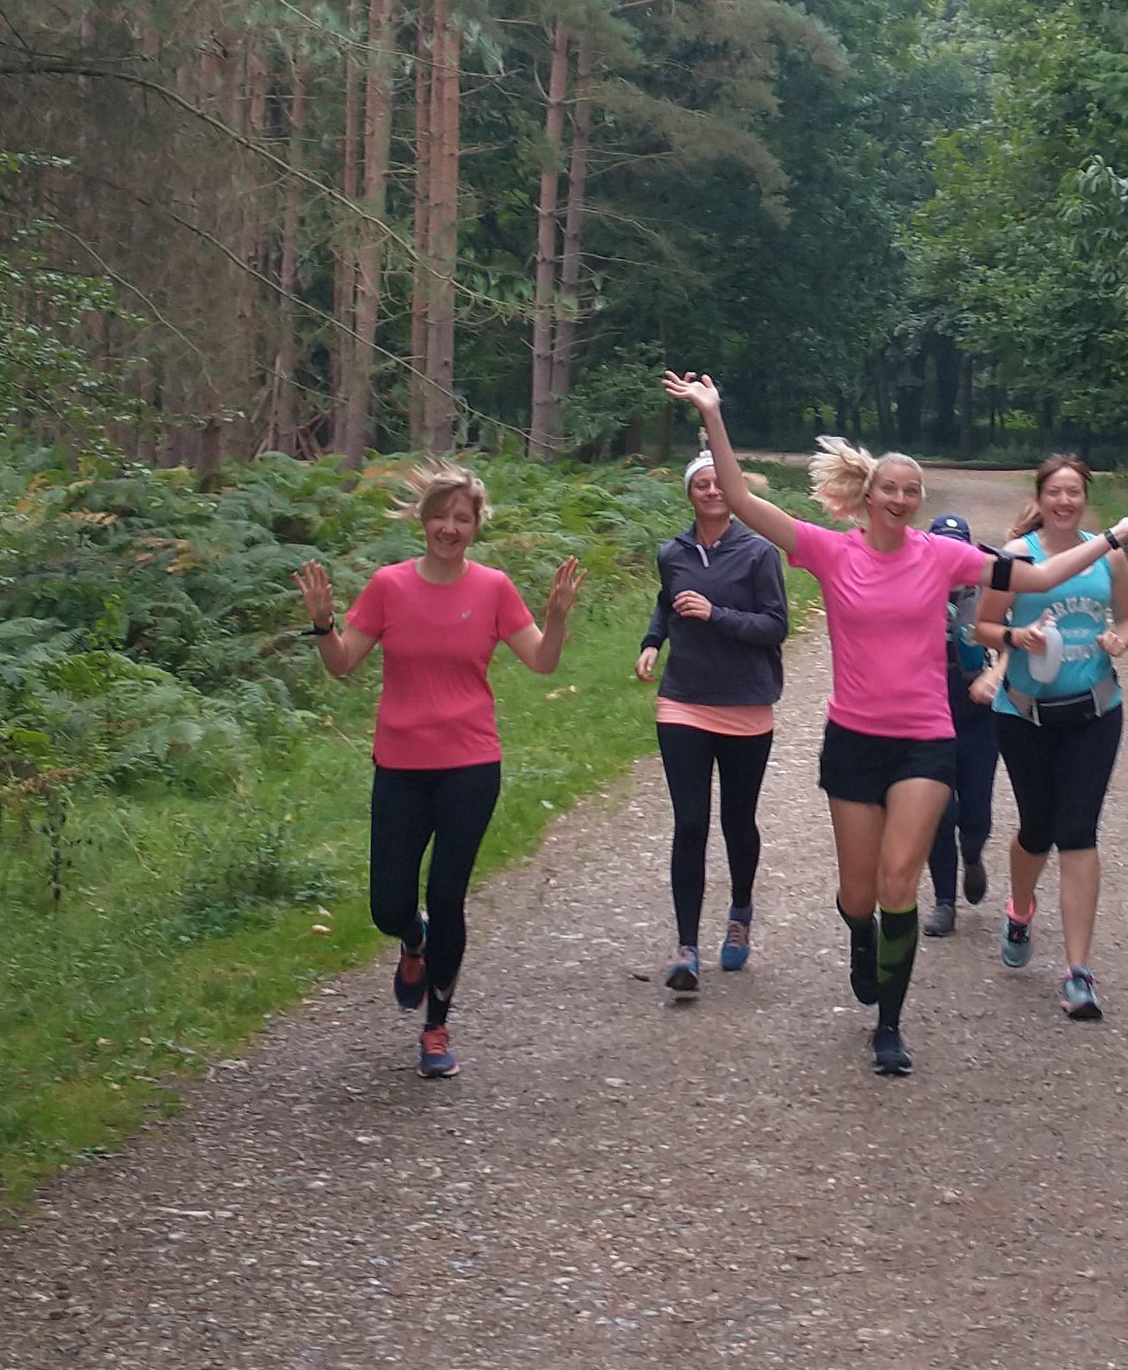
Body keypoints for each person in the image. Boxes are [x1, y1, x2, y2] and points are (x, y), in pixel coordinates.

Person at [657, 372, 1128, 1078]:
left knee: (901, 882)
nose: (900, 498)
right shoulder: (831, 552)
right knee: (859, 895)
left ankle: (890, 1025)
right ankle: (862, 941)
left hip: (926, 740)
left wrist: (1111, 537)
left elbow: (1039, 580)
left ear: (917, 502)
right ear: (867, 497)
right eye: (889, 489)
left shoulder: (944, 557)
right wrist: (713, 414)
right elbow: (742, 501)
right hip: (854, 741)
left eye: (910, 491)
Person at [296, 467, 584, 1080]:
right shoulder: (388, 586)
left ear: (477, 527)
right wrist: (323, 623)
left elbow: (541, 661)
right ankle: (413, 940)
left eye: (462, 518)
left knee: (448, 895)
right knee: (389, 905)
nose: (449, 528)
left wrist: (556, 617)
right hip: (400, 765)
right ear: (422, 519)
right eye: (441, 516)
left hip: (471, 765)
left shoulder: (495, 588)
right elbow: (343, 663)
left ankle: (437, 1025)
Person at [990, 452, 1128, 1019]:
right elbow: (980, 623)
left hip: (1096, 711)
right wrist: (1018, 636)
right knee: (1037, 829)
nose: (1064, 501)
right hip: (1024, 715)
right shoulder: (1015, 557)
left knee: (1078, 831)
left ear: (1085, 498)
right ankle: (1020, 907)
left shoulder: (1110, 556)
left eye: (1074, 492)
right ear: (1039, 497)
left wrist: (1121, 642)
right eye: (1054, 492)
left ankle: (1078, 972)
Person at [635, 451, 789, 992]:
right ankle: (685, 948)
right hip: (684, 702)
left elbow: (775, 626)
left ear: (732, 488)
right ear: (690, 494)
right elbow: (665, 601)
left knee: (736, 822)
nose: (711, 491)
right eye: (700, 485)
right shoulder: (670, 552)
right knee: (691, 824)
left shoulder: (759, 553)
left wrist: (716, 615)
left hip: (746, 705)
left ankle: (740, 913)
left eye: (718, 482)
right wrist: (653, 642)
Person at [922, 514, 1002, 938]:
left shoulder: (987, 592)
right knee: (938, 811)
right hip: (928, 713)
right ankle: (944, 901)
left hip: (976, 715)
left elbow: (1014, 643)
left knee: (975, 812)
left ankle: (972, 854)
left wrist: (996, 675)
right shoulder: (912, 587)